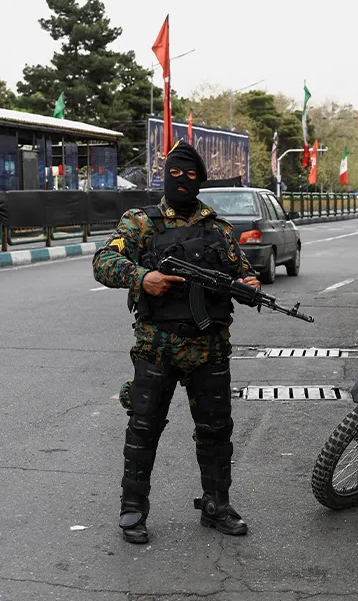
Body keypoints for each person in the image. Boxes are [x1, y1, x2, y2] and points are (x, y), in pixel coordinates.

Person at [93, 140, 259, 545]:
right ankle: (132, 508)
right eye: (174, 174)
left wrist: (250, 285)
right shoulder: (141, 223)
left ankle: (217, 504)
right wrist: (141, 278)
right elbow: (104, 262)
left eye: (190, 176)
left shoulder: (218, 230)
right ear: (164, 176)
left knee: (217, 430)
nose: (181, 181)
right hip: (157, 346)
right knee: (144, 428)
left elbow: (244, 272)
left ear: (200, 181)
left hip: (210, 348)